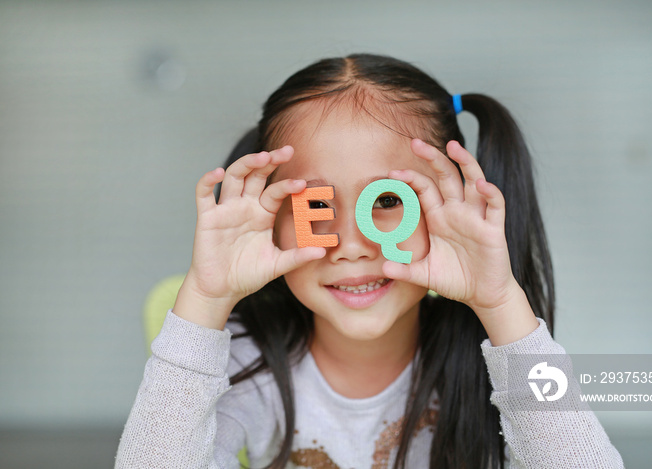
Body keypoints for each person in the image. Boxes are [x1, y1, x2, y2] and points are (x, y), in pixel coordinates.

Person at [116, 53, 624, 468]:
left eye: (385, 202)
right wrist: (205, 300)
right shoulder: (252, 362)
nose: (352, 245)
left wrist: (501, 303)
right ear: (272, 217)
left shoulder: (492, 353)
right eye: (315, 206)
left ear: (453, 206)